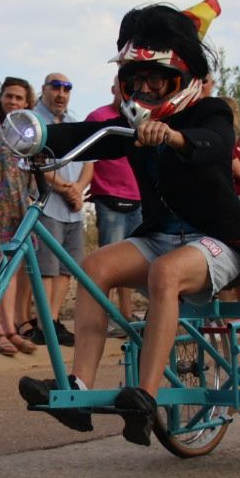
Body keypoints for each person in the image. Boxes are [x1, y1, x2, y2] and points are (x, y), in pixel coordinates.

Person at [20, 0, 240, 446]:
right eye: (138, 79)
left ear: (181, 78)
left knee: (164, 273)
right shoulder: (129, 125)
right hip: (162, 237)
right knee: (94, 267)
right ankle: (79, 389)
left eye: (157, 78)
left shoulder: (210, 113)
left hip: (218, 240)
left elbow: (213, 143)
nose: (148, 87)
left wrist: (174, 137)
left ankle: (145, 398)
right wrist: (33, 137)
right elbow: (80, 138)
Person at [21, 73, 93, 347]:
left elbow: (90, 161)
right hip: (47, 205)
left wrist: (79, 189)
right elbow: (33, 161)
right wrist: (66, 188)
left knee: (66, 269)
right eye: (56, 87)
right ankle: (42, 324)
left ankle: (52, 321)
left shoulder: (75, 121)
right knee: (47, 269)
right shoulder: (34, 122)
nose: (61, 93)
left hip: (74, 208)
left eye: (67, 88)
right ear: (44, 90)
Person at [0, 78, 39, 355]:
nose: (13, 102)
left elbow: (34, 164)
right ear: (0, 97)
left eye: (18, 98)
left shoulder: (28, 128)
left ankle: (11, 329)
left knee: (11, 271)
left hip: (18, 206)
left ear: (27, 102)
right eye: (8, 96)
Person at [87, 82, 144, 325]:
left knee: (133, 262)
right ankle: (104, 317)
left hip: (138, 198)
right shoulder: (98, 117)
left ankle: (126, 314)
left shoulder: (140, 119)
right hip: (109, 198)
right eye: (123, 88)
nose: (127, 94)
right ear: (113, 90)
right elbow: (88, 156)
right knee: (108, 262)